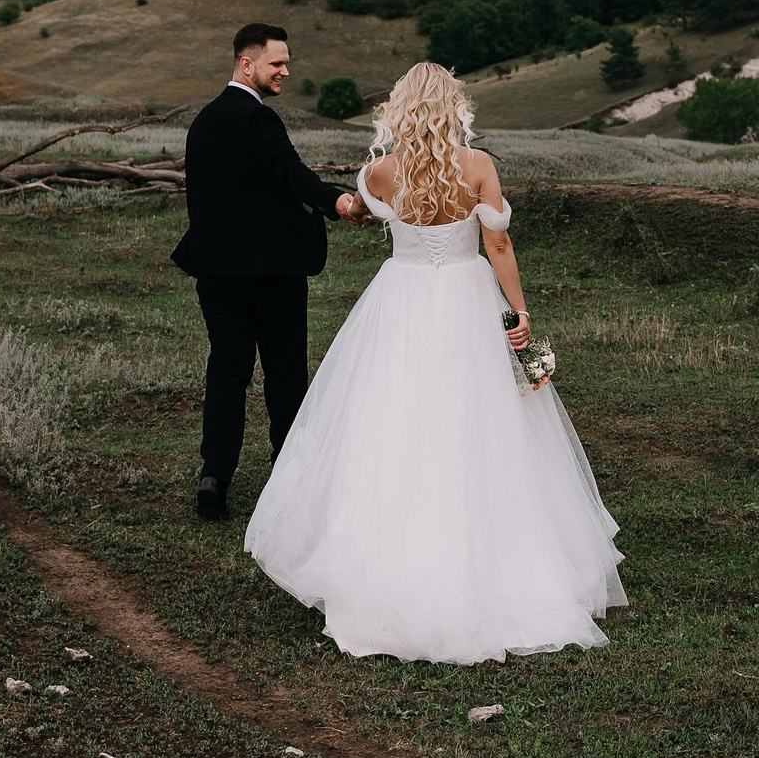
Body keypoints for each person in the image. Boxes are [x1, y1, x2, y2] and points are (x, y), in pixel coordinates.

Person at [244, 62, 626, 664]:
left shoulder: (380, 173)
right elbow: (497, 242)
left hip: (400, 298)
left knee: (391, 419)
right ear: (454, 107)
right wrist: (518, 312)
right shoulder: (478, 167)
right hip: (467, 300)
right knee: (479, 423)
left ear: (400, 110)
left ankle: (382, 565)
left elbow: (366, 212)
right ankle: (492, 564)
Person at [170, 22, 356, 522]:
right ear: (246, 63)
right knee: (285, 373)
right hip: (271, 274)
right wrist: (336, 200)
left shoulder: (203, 122)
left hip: (215, 272)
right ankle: (290, 476)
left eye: (286, 62)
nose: (286, 71)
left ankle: (215, 475)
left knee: (228, 370)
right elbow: (291, 175)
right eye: (277, 63)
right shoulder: (259, 121)